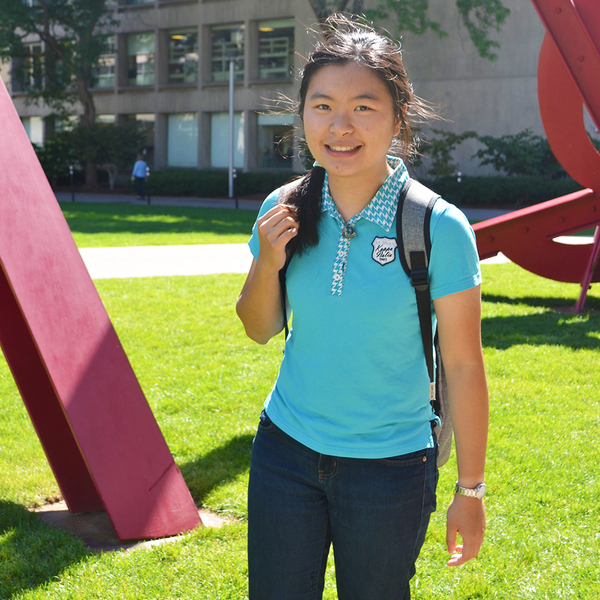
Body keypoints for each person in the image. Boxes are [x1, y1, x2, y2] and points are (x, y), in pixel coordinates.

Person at [236, 14, 488, 600]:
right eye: (322, 106)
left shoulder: (438, 226)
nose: (340, 126)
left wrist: (469, 490)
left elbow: (465, 366)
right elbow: (258, 328)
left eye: (364, 108)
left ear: (399, 118)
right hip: (285, 451)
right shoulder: (285, 207)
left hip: (390, 467)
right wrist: (266, 261)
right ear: (302, 114)